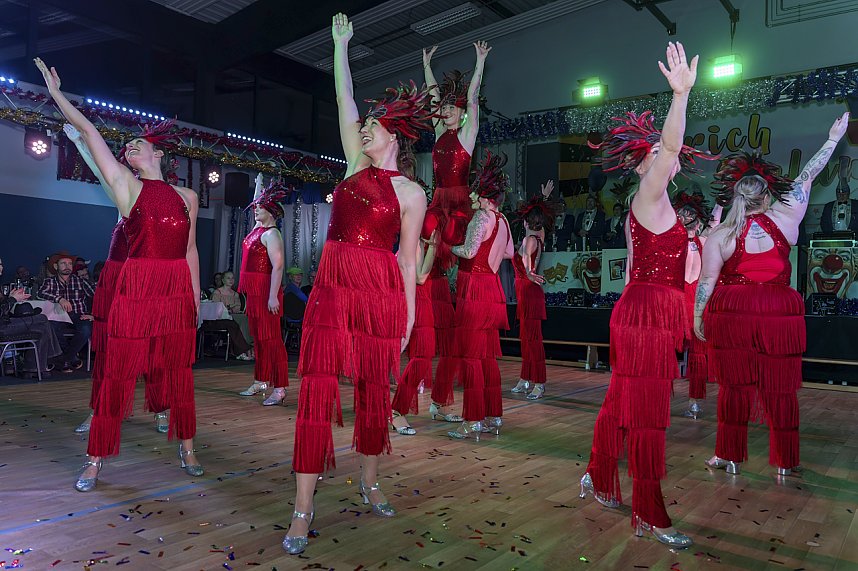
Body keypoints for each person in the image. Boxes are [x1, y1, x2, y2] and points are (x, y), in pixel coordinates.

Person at [281, 13, 429, 556]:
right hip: (335, 282)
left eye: (374, 126)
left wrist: (410, 315)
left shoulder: (413, 193)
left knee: (374, 392)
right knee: (316, 389)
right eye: (363, 125)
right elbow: (344, 100)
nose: (364, 129)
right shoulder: (349, 166)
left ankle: (369, 478)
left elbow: (409, 259)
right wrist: (340, 46)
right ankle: (302, 507)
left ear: (395, 135)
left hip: (382, 291)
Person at [36, 56, 204, 492]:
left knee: (177, 371)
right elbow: (91, 134)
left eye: (137, 145)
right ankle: (95, 459)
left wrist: (195, 295)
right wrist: (58, 96)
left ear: (159, 153)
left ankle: (187, 447)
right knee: (119, 372)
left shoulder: (187, 195)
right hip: (137, 285)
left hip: (174, 290)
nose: (129, 149)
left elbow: (190, 249)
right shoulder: (128, 188)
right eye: (125, 147)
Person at [580, 42, 713, 548]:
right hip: (645, 315)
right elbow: (673, 149)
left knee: (621, 401)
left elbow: (637, 270)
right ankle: (650, 513)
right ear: (642, 168)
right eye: (654, 155)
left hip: (641, 312)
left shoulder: (656, 210)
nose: (664, 158)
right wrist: (679, 97)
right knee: (648, 414)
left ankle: (596, 471)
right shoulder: (649, 195)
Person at [694, 113, 848, 479]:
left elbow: (707, 281)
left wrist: (697, 316)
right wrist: (831, 139)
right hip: (779, 309)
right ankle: (785, 460)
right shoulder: (788, 215)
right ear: (767, 193)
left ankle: (728, 455)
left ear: (735, 195)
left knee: (734, 387)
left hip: (734, 310)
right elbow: (807, 175)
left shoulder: (720, 235)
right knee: (780, 387)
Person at [61, 123, 159, 435]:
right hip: (117, 282)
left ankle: (161, 409)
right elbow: (105, 172)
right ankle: (99, 411)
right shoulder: (125, 198)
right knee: (108, 352)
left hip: (146, 283)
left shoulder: (166, 200)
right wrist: (80, 143)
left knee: (152, 350)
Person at [422, 40, 491, 423]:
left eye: (452, 107)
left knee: (456, 277)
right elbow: (433, 96)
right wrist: (427, 65)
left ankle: (446, 391)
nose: (446, 110)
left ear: (462, 114)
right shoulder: (437, 133)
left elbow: (475, 96)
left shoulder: (467, 135)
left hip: (459, 207)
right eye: (444, 107)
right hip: (437, 203)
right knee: (427, 251)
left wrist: (479, 62)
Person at [448, 151, 514, 439]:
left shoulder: (481, 218)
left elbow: (469, 252)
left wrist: (447, 247)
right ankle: (492, 416)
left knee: (473, 357)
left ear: (485, 195)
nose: (472, 195)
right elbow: (510, 253)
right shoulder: (504, 220)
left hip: (475, 288)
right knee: (488, 357)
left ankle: (472, 419)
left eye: (476, 191)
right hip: (493, 288)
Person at [237, 174, 290, 406]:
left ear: (271, 211)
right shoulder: (258, 228)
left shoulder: (272, 234)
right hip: (255, 294)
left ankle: (279, 388)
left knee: (272, 341)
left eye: (260, 208)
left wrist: (271, 297)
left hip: (267, 293)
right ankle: (261, 380)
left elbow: (278, 266)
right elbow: (256, 203)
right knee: (258, 340)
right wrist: (258, 186)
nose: (255, 209)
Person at [673, 191, 722, 420]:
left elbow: (715, 221)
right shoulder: (674, 239)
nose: (683, 216)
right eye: (681, 213)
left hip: (695, 296)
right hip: (677, 295)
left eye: (687, 213)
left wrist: (721, 202)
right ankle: (662, 395)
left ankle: (694, 401)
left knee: (697, 352)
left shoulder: (704, 239)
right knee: (667, 347)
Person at [391, 213, 438, 435]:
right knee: (420, 359)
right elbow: (420, 277)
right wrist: (434, 248)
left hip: (422, 303)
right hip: (416, 303)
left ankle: (397, 409)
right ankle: (397, 411)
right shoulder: (415, 246)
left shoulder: (415, 244)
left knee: (422, 358)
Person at [511, 180, 555, 400]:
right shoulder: (541, 235)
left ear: (527, 221)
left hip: (529, 292)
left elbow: (527, 258)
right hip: (527, 294)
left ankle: (539, 383)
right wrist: (543, 198)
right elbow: (538, 211)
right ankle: (525, 378)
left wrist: (528, 271)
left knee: (533, 342)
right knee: (527, 340)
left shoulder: (529, 240)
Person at [0, 256, 62, 376]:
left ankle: (34, 369)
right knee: (43, 319)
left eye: (1, 264)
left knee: (42, 328)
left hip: (5, 323)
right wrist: (13, 299)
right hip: (2, 328)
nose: (2, 267)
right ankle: (53, 357)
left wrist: (9, 298)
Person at [38, 251, 95, 373]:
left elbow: (98, 297)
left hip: (78, 314)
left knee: (85, 329)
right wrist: (60, 299)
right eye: (63, 263)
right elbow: (41, 292)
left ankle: (64, 359)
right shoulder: (50, 281)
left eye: (70, 263)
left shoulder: (80, 281)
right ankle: (72, 358)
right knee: (50, 326)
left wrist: (93, 314)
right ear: (56, 266)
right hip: (58, 316)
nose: (67, 266)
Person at [211, 270, 253, 360]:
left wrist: (231, 308)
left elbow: (237, 308)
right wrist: (228, 309)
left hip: (233, 315)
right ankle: (246, 350)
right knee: (242, 319)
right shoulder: (217, 292)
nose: (231, 280)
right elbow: (216, 307)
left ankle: (247, 349)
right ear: (223, 280)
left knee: (245, 318)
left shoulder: (235, 294)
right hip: (221, 318)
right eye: (228, 278)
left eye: (232, 278)